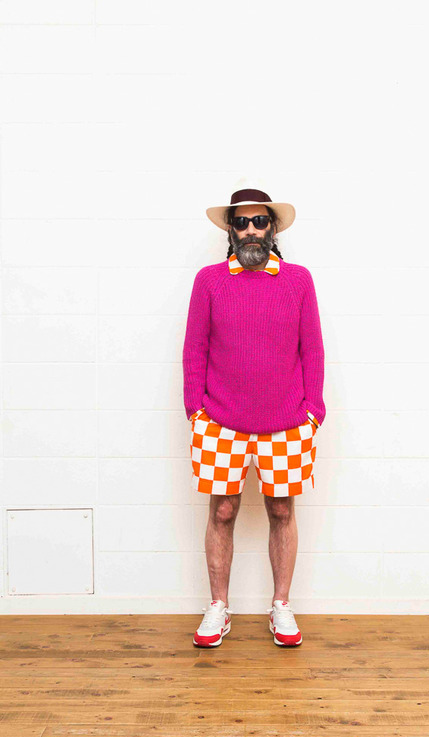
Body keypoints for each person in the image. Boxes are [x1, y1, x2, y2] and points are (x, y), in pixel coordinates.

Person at [182, 184, 326, 647]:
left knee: (281, 510)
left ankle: (281, 605)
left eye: (259, 221)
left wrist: (313, 411)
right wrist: (195, 410)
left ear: (273, 227)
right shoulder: (209, 281)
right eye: (240, 222)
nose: (250, 230)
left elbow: (312, 349)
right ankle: (218, 607)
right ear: (230, 230)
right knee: (222, 510)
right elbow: (195, 348)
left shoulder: (298, 280)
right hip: (219, 421)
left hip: (287, 422)